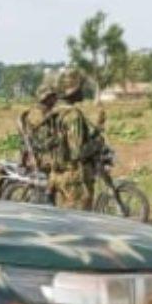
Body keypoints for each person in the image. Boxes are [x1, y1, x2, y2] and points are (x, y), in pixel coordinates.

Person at [48, 69, 97, 210]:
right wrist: (95, 145)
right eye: (80, 88)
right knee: (78, 218)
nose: (83, 92)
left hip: (57, 173)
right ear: (73, 92)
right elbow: (77, 152)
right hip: (73, 175)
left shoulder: (55, 111)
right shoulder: (73, 115)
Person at [19, 82, 59, 172]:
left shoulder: (44, 112)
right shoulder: (39, 114)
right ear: (46, 98)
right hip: (41, 159)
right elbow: (43, 140)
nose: (56, 99)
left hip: (40, 156)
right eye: (53, 96)